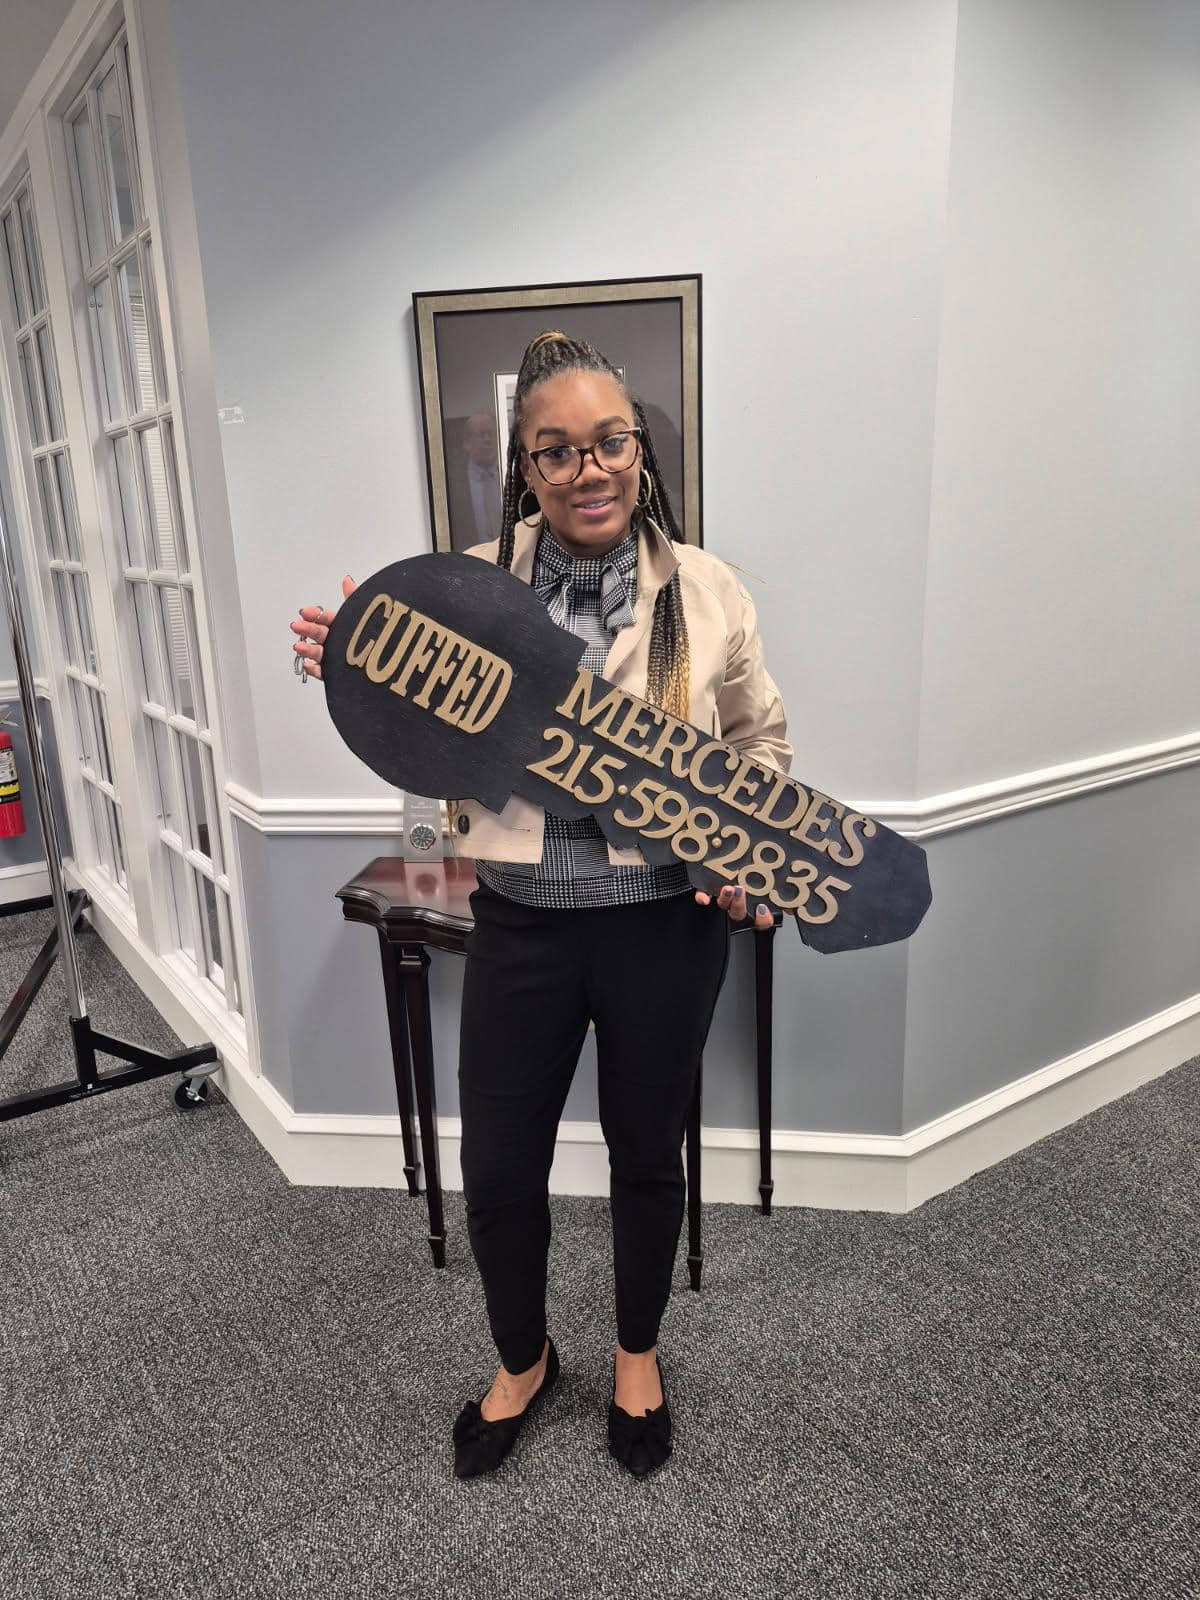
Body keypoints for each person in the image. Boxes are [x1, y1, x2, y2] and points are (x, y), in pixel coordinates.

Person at [290, 331, 790, 1480]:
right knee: (502, 1164)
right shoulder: (466, 589)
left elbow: (758, 740)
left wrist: (750, 845)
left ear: (640, 448)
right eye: (556, 451)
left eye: (609, 441)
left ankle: (636, 1352)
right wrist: (363, 664)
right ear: (526, 466)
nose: (589, 469)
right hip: (519, 918)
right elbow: (427, 733)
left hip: (666, 920)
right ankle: (524, 1358)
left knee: (645, 1154)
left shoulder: (708, 589)